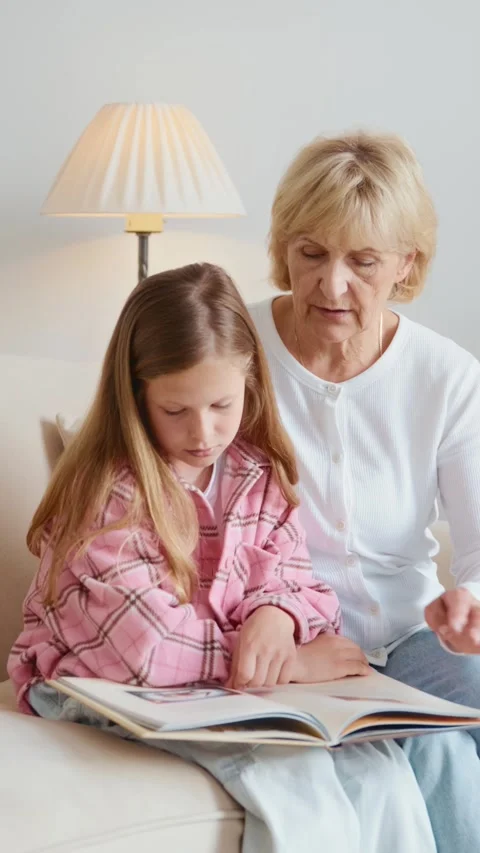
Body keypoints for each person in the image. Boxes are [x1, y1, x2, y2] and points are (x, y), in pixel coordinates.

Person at [7, 262, 438, 853]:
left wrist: (276, 617)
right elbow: (146, 649)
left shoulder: (255, 475)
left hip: (214, 690)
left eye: (221, 405)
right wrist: (286, 663)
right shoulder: (109, 492)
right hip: (96, 684)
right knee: (292, 782)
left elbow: (302, 586)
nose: (203, 432)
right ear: (136, 397)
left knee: (383, 770)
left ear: (249, 385)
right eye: (175, 411)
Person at [248, 130, 480, 846]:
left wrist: (472, 601)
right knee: (439, 750)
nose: (332, 283)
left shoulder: (445, 374)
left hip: (414, 641)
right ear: (285, 245)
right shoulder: (237, 348)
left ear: (406, 264)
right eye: (311, 252)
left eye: (364, 261)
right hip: (293, 648)